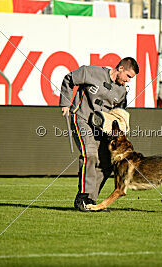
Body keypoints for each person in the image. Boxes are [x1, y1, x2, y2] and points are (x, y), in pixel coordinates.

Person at [59, 57, 139, 212]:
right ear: (121, 69)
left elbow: (119, 113)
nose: (128, 81)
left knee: (107, 164)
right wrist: (65, 102)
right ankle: (82, 197)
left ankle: (90, 201)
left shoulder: (122, 91)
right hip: (81, 119)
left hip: (102, 129)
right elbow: (69, 78)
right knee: (90, 154)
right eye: (128, 77)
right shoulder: (92, 72)